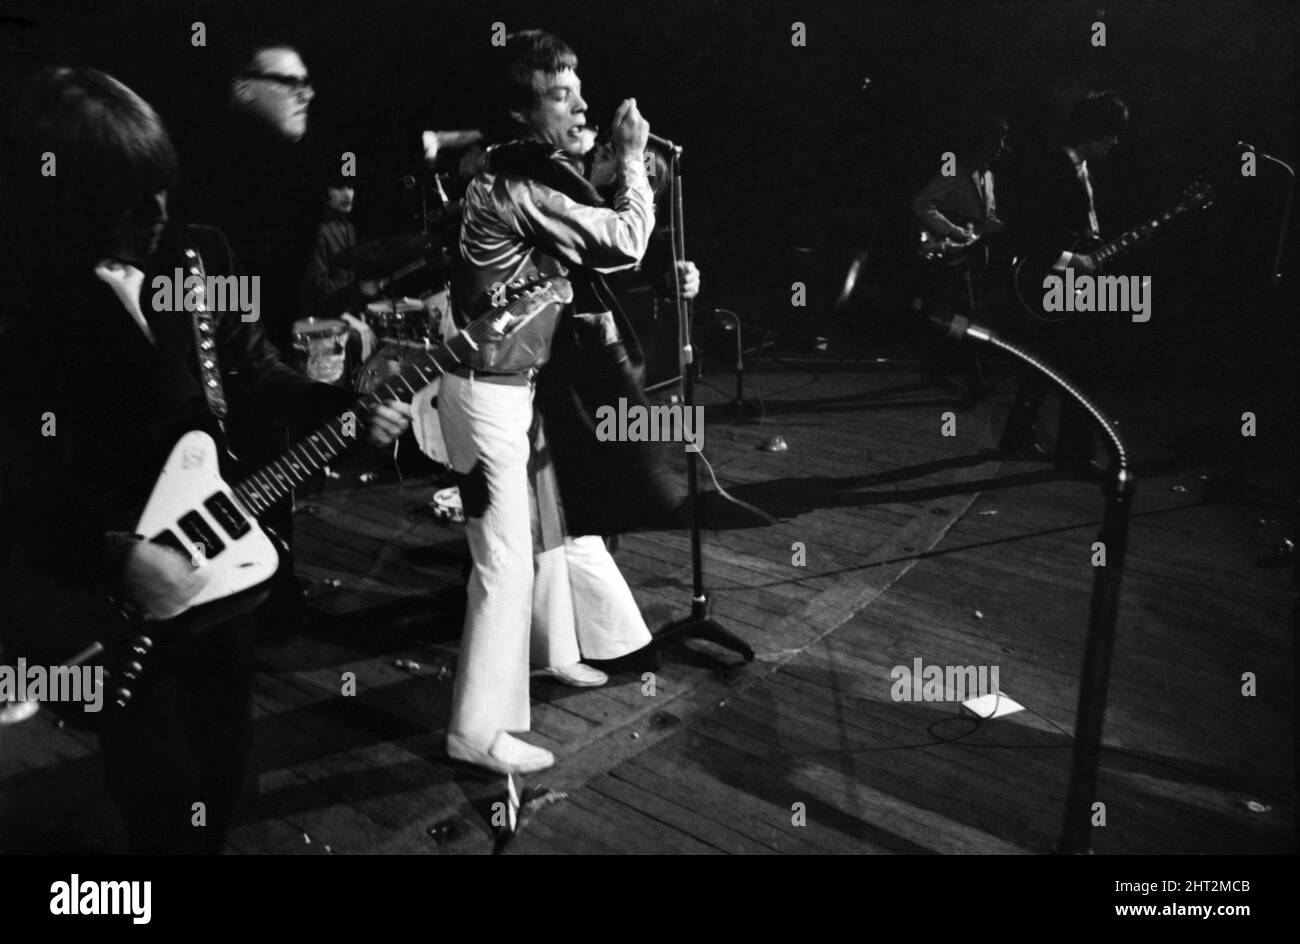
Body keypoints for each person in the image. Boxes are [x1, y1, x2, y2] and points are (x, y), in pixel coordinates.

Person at [0, 67, 410, 853]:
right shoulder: (27, 310)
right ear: (69, 195)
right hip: (115, 604)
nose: (156, 212)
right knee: (157, 790)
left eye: (161, 188)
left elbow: (252, 374)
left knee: (226, 778)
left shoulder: (198, 257)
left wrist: (345, 412)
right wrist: (112, 556)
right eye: (129, 197)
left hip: (225, 572)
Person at [439, 29, 674, 775]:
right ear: (522, 111)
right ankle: (474, 729)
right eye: (561, 94)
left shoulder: (528, 171)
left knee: (543, 536)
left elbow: (581, 203)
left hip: (512, 389)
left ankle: (549, 660)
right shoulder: (520, 185)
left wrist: (605, 160)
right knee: (502, 562)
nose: (582, 105)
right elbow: (624, 240)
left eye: (580, 90)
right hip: (486, 394)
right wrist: (633, 159)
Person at [998, 91, 1128, 467]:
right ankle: (1072, 453)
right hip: (1055, 277)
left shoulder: (1080, 168)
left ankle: (1019, 436)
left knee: (1052, 359)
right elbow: (1027, 229)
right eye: (1111, 134)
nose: (1115, 142)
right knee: (1078, 364)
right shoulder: (1057, 167)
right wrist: (1073, 258)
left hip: (1070, 279)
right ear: (1094, 131)